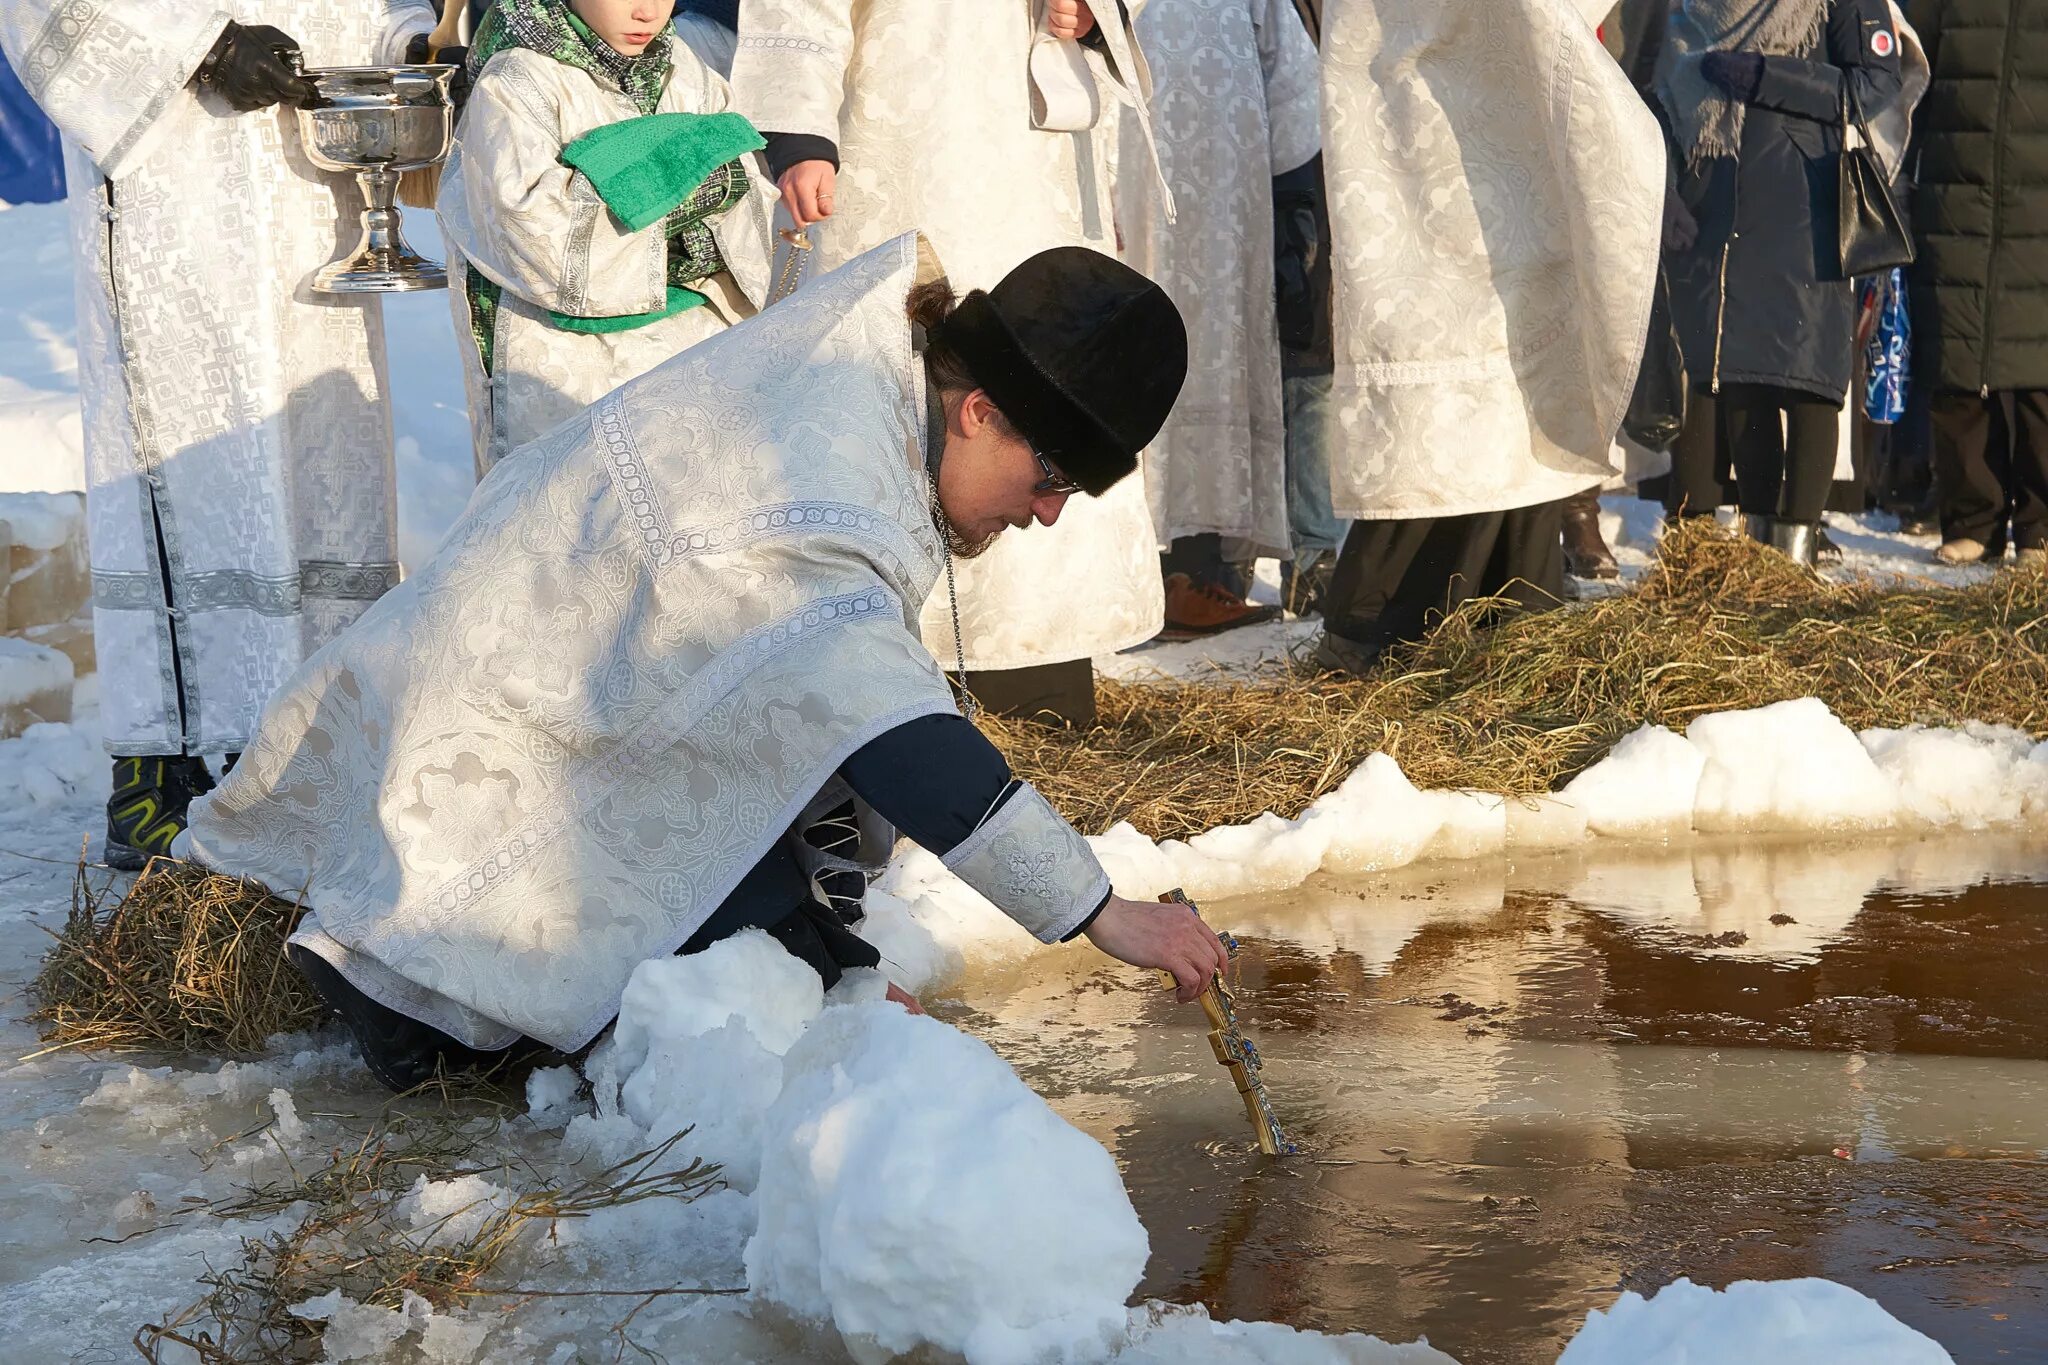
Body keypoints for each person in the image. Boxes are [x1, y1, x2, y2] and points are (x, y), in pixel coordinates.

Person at [179, 234, 1228, 1090]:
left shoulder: (864, 392)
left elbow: (791, 733)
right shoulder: (823, 482)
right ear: (977, 411)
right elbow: (895, 739)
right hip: (459, 872)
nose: (1044, 515)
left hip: (515, 741)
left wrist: (833, 969)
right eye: (1048, 478)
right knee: (678, 1018)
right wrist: (1099, 911)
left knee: (791, 967)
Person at [0, 2, 434, 867]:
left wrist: (404, 43)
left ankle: (309, 749)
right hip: (175, 176)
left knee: (321, 452)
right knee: (197, 443)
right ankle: (163, 762)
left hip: (311, 188)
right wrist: (203, 47)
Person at [727, 0, 1172, 723]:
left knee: (1045, 370)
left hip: (1035, 158)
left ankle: (1036, 683)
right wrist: (800, 128)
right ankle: (898, 684)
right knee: (916, 369)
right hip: (906, 130)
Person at [1311, 0, 1664, 673]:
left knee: (1516, 363)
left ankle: (1513, 614)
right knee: (1435, 367)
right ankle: (1383, 624)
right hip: (1411, 117)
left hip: (1506, 104)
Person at [438, 0, 777, 474]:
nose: (648, 12)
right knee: (576, 512)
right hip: (569, 360)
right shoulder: (518, 80)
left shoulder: (686, 70)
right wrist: (682, 189)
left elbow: (743, 179)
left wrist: (637, 188)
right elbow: (530, 228)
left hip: (695, 342)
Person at [1656, 0, 1903, 567]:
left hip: (1804, 200)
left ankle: (1797, 549)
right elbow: (1664, 93)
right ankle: (1761, 556)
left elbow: (1874, 84)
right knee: (1742, 380)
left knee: (1808, 375)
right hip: (1713, 205)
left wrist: (1772, 77)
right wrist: (1668, 186)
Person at [1116, 0, 1320, 639]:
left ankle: (1192, 577)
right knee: (1119, 347)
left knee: (1207, 360)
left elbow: (1294, 87)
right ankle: (1128, 586)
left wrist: (1297, 203)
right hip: (1117, 164)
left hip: (1224, 190)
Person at [1905, 0, 2048, 567]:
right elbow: (1912, 80)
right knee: (1958, 367)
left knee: (2040, 377)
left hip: (2038, 205)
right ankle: (1973, 520)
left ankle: (2040, 526)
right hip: (1955, 190)